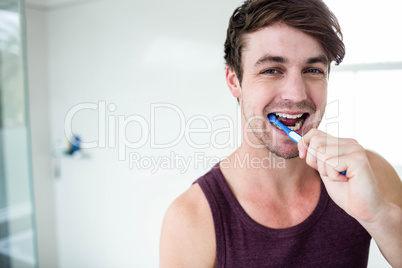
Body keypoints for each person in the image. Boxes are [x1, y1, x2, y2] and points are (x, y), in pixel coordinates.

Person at [159, 0, 402, 267]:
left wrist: (378, 215)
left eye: (313, 70)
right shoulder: (191, 219)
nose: (296, 94)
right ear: (234, 81)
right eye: (271, 70)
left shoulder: (369, 175)